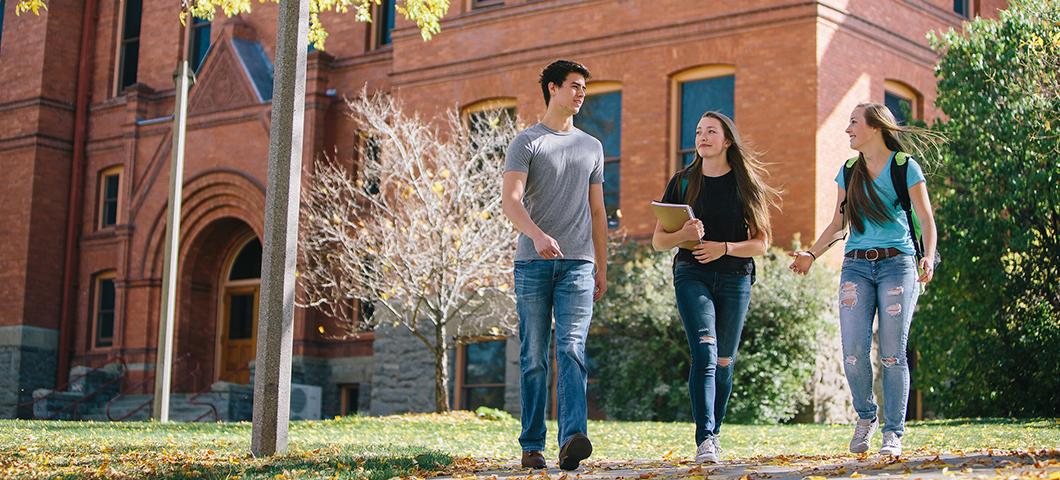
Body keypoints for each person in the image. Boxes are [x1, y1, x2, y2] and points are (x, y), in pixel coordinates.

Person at [789, 102, 943, 457]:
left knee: (892, 353)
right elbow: (838, 223)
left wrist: (928, 256)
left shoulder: (905, 168)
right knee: (854, 352)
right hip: (855, 267)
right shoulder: (848, 170)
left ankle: (893, 433)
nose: (847, 129)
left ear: (875, 127)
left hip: (898, 266)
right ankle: (866, 416)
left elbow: (926, 218)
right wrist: (811, 254)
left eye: (854, 122)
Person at [651, 111, 779, 463]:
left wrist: (724, 248)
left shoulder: (745, 183)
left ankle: (715, 432)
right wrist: (683, 236)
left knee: (724, 361)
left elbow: (762, 243)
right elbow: (659, 242)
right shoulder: (682, 182)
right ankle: (705, 437)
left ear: (726, 141)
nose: (702, 137)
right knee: (705, 353)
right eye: (698, 132)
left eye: (711, 131)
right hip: (692, 274)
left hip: (736, 278)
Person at [501, 59, 608, 471]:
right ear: (552, 88)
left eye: (584, 88)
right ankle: (532, 445)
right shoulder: (527, 142)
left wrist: (602, 265)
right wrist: (538, 235)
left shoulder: (592, 146)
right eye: (574, 86)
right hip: (532, 263)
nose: (581, 94)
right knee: (533, 356)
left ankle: (571, 440)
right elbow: (511, 201)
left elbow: (598, 212)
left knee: (572, 349)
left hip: (579, 264)